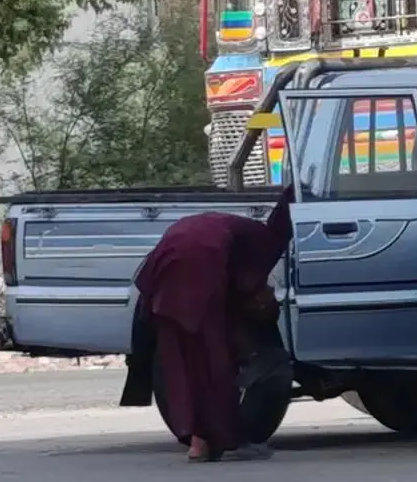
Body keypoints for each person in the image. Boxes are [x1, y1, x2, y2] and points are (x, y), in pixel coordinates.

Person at [120, 186, 295, 462]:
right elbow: (249, 290)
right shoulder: (266, 243)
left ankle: (198, 442)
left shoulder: (245, 229)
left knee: (183, 363)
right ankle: (224, 441)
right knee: (214, 364)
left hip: (167, 266)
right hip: (198, 268)